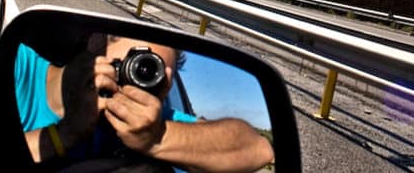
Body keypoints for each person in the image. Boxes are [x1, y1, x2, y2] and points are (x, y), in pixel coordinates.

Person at [15, 35, 275, 172]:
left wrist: (155, 139)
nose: (140, 84)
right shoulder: (19, 67)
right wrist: (66, 133)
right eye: (135, 64)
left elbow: (258, 149)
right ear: (96, 46)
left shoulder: (153, 120)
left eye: (154, 76)